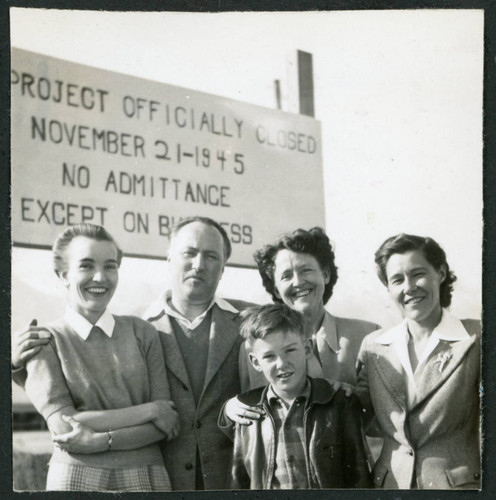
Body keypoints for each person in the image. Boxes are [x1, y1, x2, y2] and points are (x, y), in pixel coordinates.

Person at [12, 216, 249, 491]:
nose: (198, 264)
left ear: (223, 267)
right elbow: (60, 404)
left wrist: (103, 438)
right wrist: (18, 364)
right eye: (189, 253)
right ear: (169, 258)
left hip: (223, 480)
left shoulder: (250, 320)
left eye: (211, 256)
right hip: (160, 475)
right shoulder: (138, 321)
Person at [14, 223, 179, 491]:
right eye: (86, 266)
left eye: (110, 266)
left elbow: (164, 424)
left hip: (147, 474)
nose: (100, 277)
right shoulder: (46, 339)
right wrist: (150, 410)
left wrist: (102, 440)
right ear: (63, 274)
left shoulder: (143, 332)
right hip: (75, 475)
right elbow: (64, 424)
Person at [355, 233, 481, 489]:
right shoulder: (374, 346)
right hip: (390, 488)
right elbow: (359, 416)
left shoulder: (477, 338)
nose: (409, 287)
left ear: (441, 273)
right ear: (388, 289)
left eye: (418, 273)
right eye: (397, 280)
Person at [225, 227, 379, 425]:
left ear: (325, 274)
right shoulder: (251, 348)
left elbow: (383, 419)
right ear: (276, 289)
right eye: (286, 276)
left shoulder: (367, 336)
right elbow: (248, 411)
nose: (298, 282)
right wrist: (231, 407)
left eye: (306, 270)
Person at [226, 303, 372, 489]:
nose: (281, 363)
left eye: (290, 350)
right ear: (256, 362)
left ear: (307, 349)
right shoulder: (249, 414)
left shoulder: (340, 403)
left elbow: (359, 475)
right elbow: (239, 481)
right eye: (269, 356)